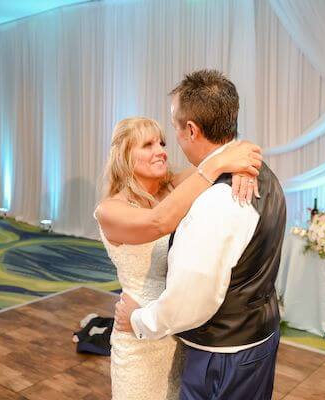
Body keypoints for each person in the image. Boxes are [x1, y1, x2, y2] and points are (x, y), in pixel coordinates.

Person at [114, 70, 286, 400]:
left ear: (191, 129)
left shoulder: (217, 201)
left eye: (174, 129)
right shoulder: (260, 171)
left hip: (223, 356)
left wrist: (137, 320)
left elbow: (190, 301)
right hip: (258, 337)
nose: (169, 143)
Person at [95, 115, 263, 399]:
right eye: (147, 144)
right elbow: (158, 222)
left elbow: (237, 149)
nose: (161, 150)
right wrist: (223, 165)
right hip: (137, 332)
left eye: (161, 142)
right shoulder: (109, 209)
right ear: (124, 155)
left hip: (179, 328)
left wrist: (243, 170)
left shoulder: (172, 188)